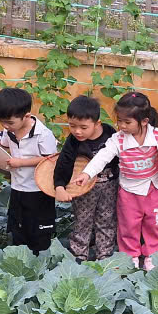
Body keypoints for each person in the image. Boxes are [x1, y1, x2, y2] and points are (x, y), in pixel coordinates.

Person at [73, 92, 158, 269]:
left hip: (154, 188)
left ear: (144, 121)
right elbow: (102, 156)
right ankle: (130, 257)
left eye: (127, 122)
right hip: (129, 191)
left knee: (156, 224)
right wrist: (87, 173)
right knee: (128, 226)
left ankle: (153, 256)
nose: (122, 125)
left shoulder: (157, 135)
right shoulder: (118, 139)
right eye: (119, 121)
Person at [0, 87, 58, 253]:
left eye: (10, 122)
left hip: (38, 190)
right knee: (18, 229)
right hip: (17, 188)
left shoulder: (43, 134)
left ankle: (40, 262)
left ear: (27, 116)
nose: (5, 126)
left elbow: (51, 159)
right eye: (2, 122)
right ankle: (20, 261)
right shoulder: (9, 130)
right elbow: (3, 144)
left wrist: (21, 162)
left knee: (38, 232)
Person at [53, 96, 118, 260]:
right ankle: (79, 255)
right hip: (83, 187)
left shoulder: (110, 134)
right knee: (82, 220)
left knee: (107, 220)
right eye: (72, 126)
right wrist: (59, 186)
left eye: (83, 127)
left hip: (109, 185)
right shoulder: (73, 141)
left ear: (97, 123)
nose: (77, 131)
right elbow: (64, 163)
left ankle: (105, 256)